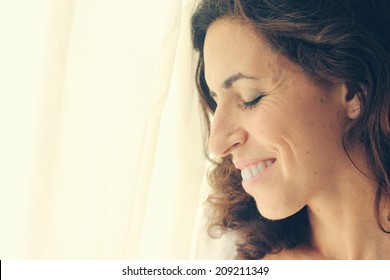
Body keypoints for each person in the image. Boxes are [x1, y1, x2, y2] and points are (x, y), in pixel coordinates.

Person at [190, 0, 390, 259]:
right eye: (216, 102)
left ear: (354, 90)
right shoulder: (231, 255)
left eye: (251, 97)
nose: (217, 144)